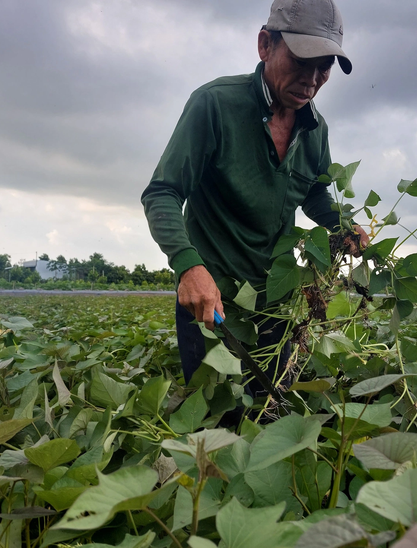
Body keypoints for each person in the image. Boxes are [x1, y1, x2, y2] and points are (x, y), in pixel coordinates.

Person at [141, 0, 369, 396]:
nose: (312, 80)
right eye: (302, 61)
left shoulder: (316, 130)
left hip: (279, 303)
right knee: (215, 418)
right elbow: (162, 192)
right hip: (211, 300)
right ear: (265, 45)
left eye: (325, 67)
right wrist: (188, 267)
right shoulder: (214, 105)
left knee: (272, 410)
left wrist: (346, 228)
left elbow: (313, 195)